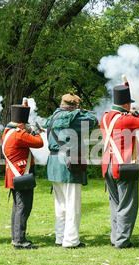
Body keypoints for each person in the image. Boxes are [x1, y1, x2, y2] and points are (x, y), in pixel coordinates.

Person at [101, 85, 139, 249]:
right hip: (123, 165)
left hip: (108, 164)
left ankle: (115, 237)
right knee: (128, 204)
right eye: (129, 104)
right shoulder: (125, 118)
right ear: (126, 105)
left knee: (115, 204)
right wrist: (137, 113)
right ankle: (122, 241)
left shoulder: (105, 117)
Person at [45, 93, 98, 249]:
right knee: (73, 206)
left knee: (60, 205)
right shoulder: (76, 118)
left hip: (54, 164)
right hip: (69, 164)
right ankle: (71, 240)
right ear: (75, 107)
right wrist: (83, 111)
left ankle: (59, 237)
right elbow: (93, 121)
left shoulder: (52, 118)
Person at [3, 104, 44, 250]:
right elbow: (39, 143)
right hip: (22, 175)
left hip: (14, 175)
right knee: (23, 207)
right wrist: (36, 131)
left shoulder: (8, 131)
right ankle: (19, 240)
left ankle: (16, 238)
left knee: (17, 207)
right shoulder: (19, 134)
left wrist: (28, 130)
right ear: (21, 123)